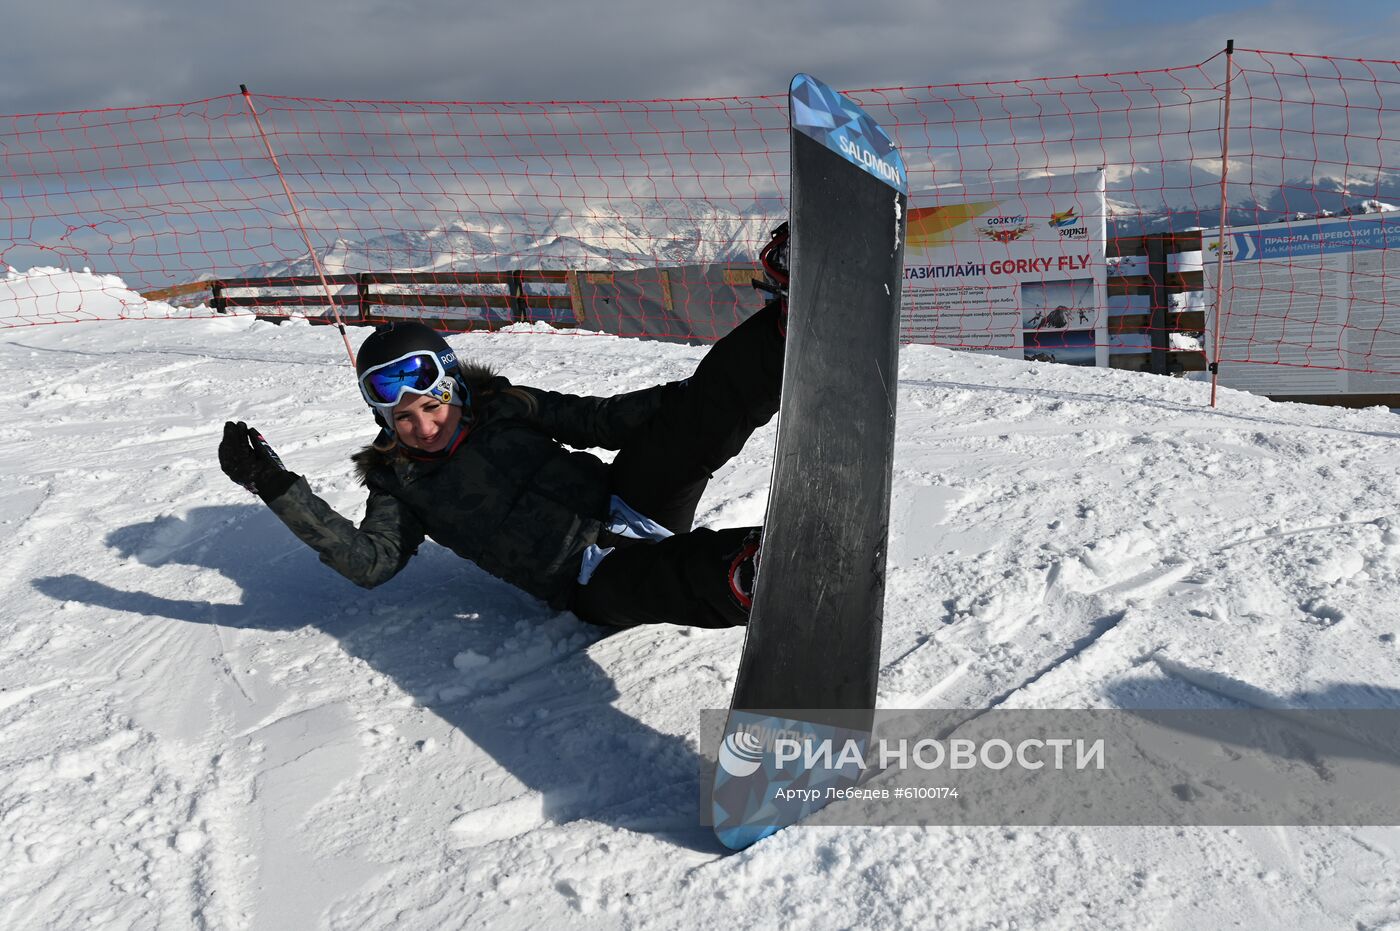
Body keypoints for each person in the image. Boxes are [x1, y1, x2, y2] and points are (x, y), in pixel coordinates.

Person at [218, 227, 791, 629]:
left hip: (624, 500)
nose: (422, 426)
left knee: (687, 426)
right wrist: (272, 485)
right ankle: (750, 572)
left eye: (433, 405)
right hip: (583, 579)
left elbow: (601, 420)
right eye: (403, 418)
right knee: (651, 582)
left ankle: (783, 329)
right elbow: (370, 562)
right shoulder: (400, 484)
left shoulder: (503, 406)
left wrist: (693, 399)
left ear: (456, 390)